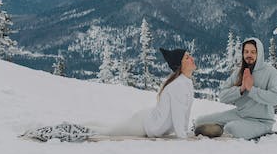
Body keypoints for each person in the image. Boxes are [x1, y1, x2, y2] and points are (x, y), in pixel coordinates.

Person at [20, 47, 196, 142]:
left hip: (146, 120)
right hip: (143, 124)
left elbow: (183, 113)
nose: (191, 58)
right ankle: (55, 131)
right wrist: (184, 138)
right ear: (179, 66)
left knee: (107, 128)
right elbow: (179, 114)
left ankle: (73, 125)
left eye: (189, 55)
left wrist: (185, 133)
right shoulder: (178, 86)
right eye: (187, 57)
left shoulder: (185, 83)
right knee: (105, 133)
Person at [194, 37, 277, 140]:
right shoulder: (238, 72)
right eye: (246, 52)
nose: (249, 55)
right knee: (199, 121)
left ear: (260, 54)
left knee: (231, 128)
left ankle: (221, 129)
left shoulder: (270, 72)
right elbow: (222, 96)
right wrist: (240, 89)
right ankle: (218, 129)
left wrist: (252, 89)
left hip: (261, 121)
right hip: (239, 114)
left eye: (253, 52)